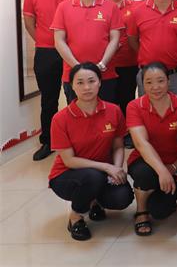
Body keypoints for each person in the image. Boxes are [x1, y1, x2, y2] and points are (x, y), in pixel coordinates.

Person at [47, 62, 133, 241]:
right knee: (93, 177)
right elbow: (69, 160)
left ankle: (94, 201)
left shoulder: (114, 110)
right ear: (72, 85)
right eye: (80, 82)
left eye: (91, 81)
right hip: (67, 175)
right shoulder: (60, 119)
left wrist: (117, 169)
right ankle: (76, 217)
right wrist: (106, 167)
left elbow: (118, 146)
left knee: (122, 197)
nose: (86, 87)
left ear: (100, 82)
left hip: (101, 173)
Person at [23, 0, 78, 161]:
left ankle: (78, 140)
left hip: (74, 51)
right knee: (49, 99)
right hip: (46, 52)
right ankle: (48, 141)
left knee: (77, 97)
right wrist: (46, 41)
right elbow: (30, 24)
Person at [126, 62, 177, 236]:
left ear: (169, 81)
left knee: (161, 212)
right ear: (142, 84)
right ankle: (141, 211)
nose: (155, 87)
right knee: (144, 174)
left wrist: (174, 167)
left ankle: (157, 196)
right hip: (144, 162)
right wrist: (162, 170)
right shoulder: (135, 106)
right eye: (149, 82)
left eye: (160, 81)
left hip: (174, 164)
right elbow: (141, 143)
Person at [51, 0, 122, 104]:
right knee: (76, 113)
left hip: (105, 73)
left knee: (106, 113)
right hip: (73, 74)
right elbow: (59, 41)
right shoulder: (64, 7)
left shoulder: (111, 6)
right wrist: (77, 67)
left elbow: (115, 39)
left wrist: (102, 63)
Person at [103, 0, 137, 118]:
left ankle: (127, 129)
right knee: (108, 101)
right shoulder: (100, 7)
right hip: (106, 64)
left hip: (129, 62)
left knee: (127, 99)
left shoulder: (135, 7)